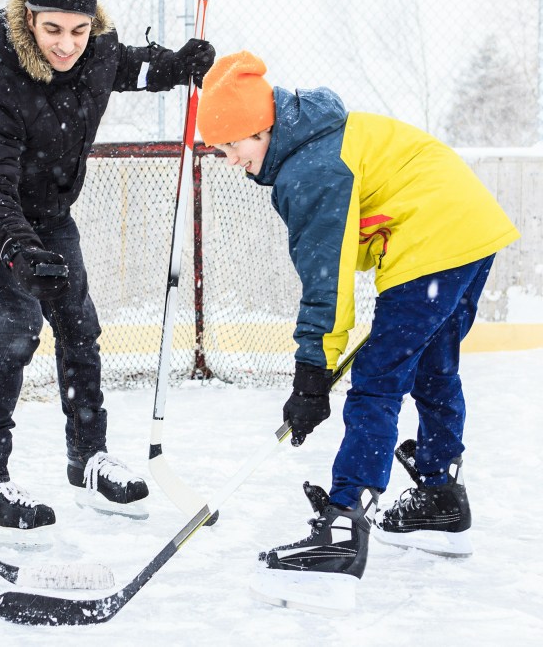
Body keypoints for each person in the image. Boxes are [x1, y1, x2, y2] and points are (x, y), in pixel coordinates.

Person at [196, 50, 519, 613]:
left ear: (259, 128)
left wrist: (312, 374)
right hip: (471, 228)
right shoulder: (319, 140)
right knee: (431, 363)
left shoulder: (310, 170)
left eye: (230, 148)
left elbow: (328, 281)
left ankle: (343, 529)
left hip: (433, 236)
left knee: (378, 377)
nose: (229, 161)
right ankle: (441, 496)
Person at [0, 0, 215, 541]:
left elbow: (130, 67)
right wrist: (18, 249)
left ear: (93, 26)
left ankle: (89, 458)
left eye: (77, 31)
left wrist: (178, 65)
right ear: (29, 19)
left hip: (50, 209)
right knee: (16, 322)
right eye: (51, 29)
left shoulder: (98, 54)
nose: (64, 44)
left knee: (79, 324)